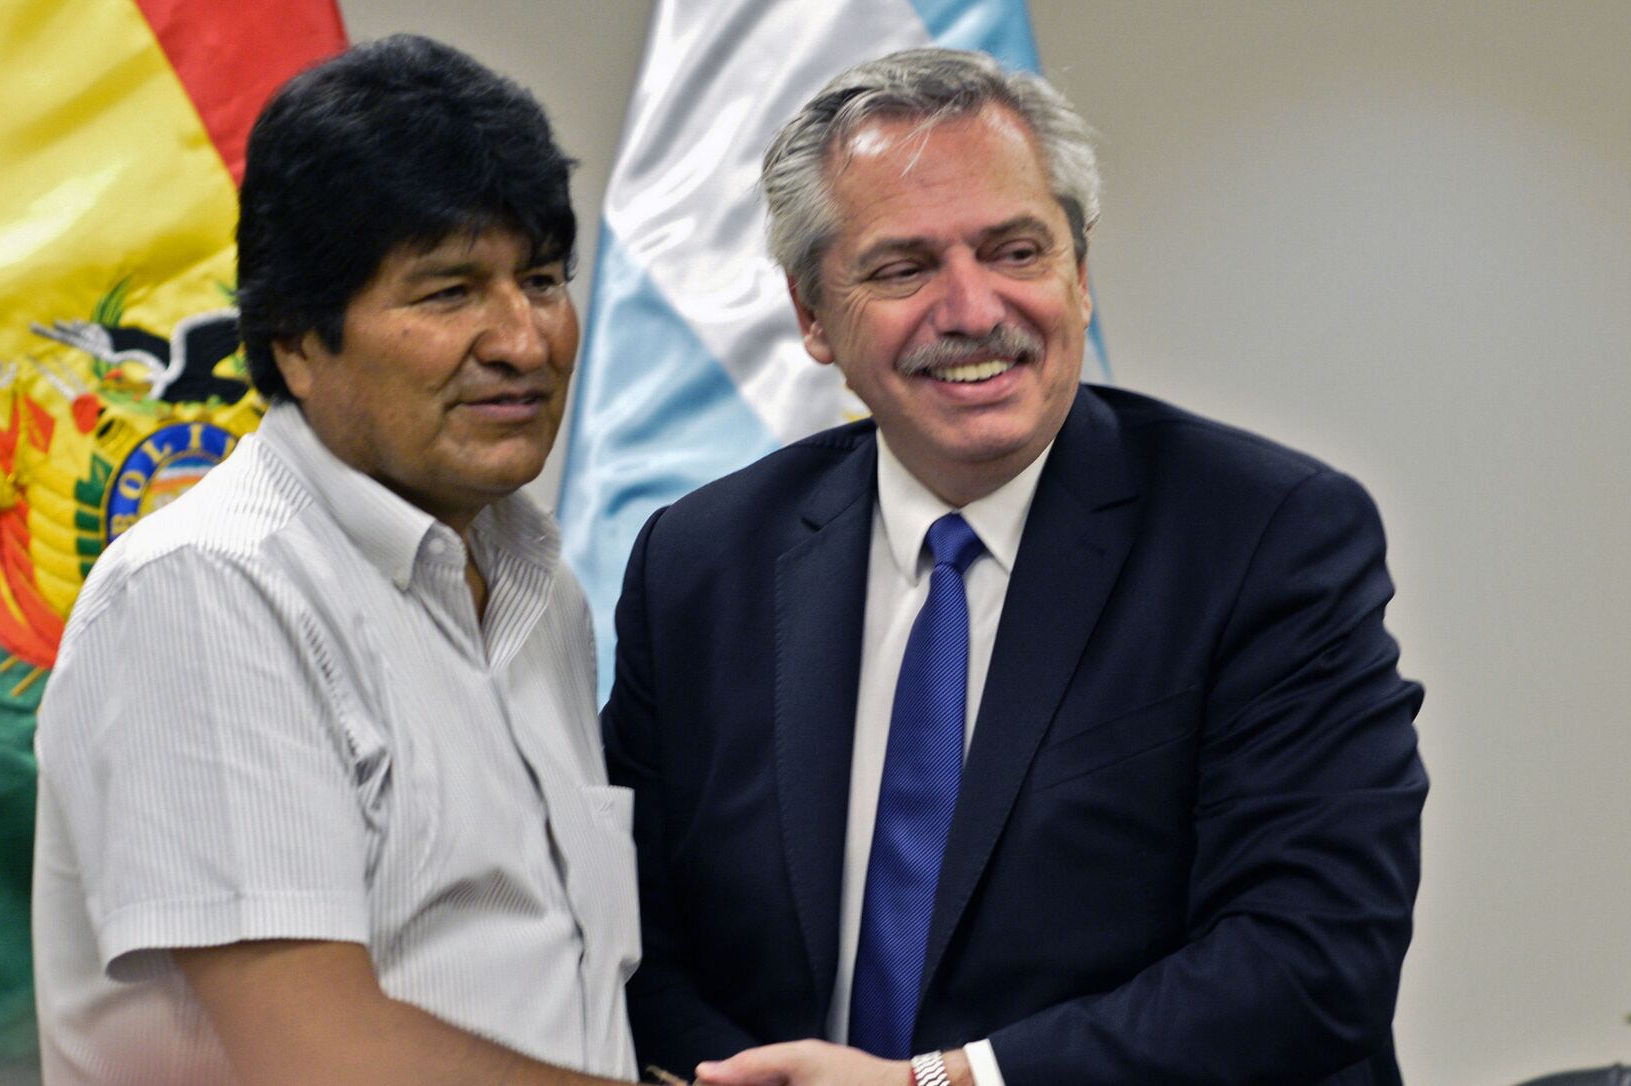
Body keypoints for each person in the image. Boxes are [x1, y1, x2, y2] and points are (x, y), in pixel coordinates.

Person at [604, 47, 1428, 1086]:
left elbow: (1312, 959)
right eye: (903, 269)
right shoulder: (699, 564)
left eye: (1016, 252)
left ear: (1079, 277)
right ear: (812, 316)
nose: (972, 310)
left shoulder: (1264, 538)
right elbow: (630, 936)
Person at [31, 36, 640, 1086]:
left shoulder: (539, 583)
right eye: (448, 292)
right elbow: (318, 1058)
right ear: (296, 341)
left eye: (541, 280)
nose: (524, 340)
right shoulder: (206, 589)